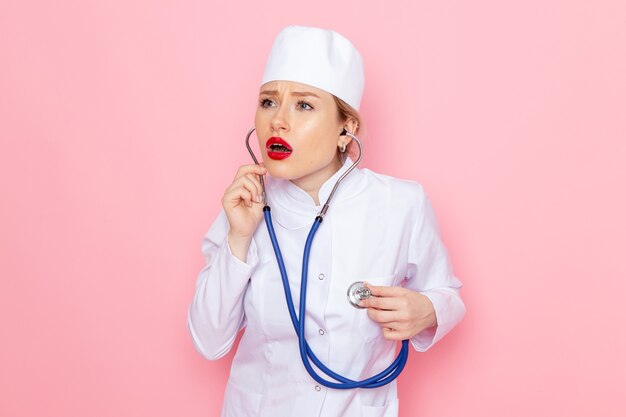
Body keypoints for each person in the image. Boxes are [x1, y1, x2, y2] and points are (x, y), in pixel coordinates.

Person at [188, 25, 466, 417]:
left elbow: (448, 294)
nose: (278, 122)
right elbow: (208, 340)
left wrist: (429, 310)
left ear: (345, 127)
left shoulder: (401, 204)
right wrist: (238, 237)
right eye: (268, 102)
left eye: (304, 105)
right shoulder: (246, 207)